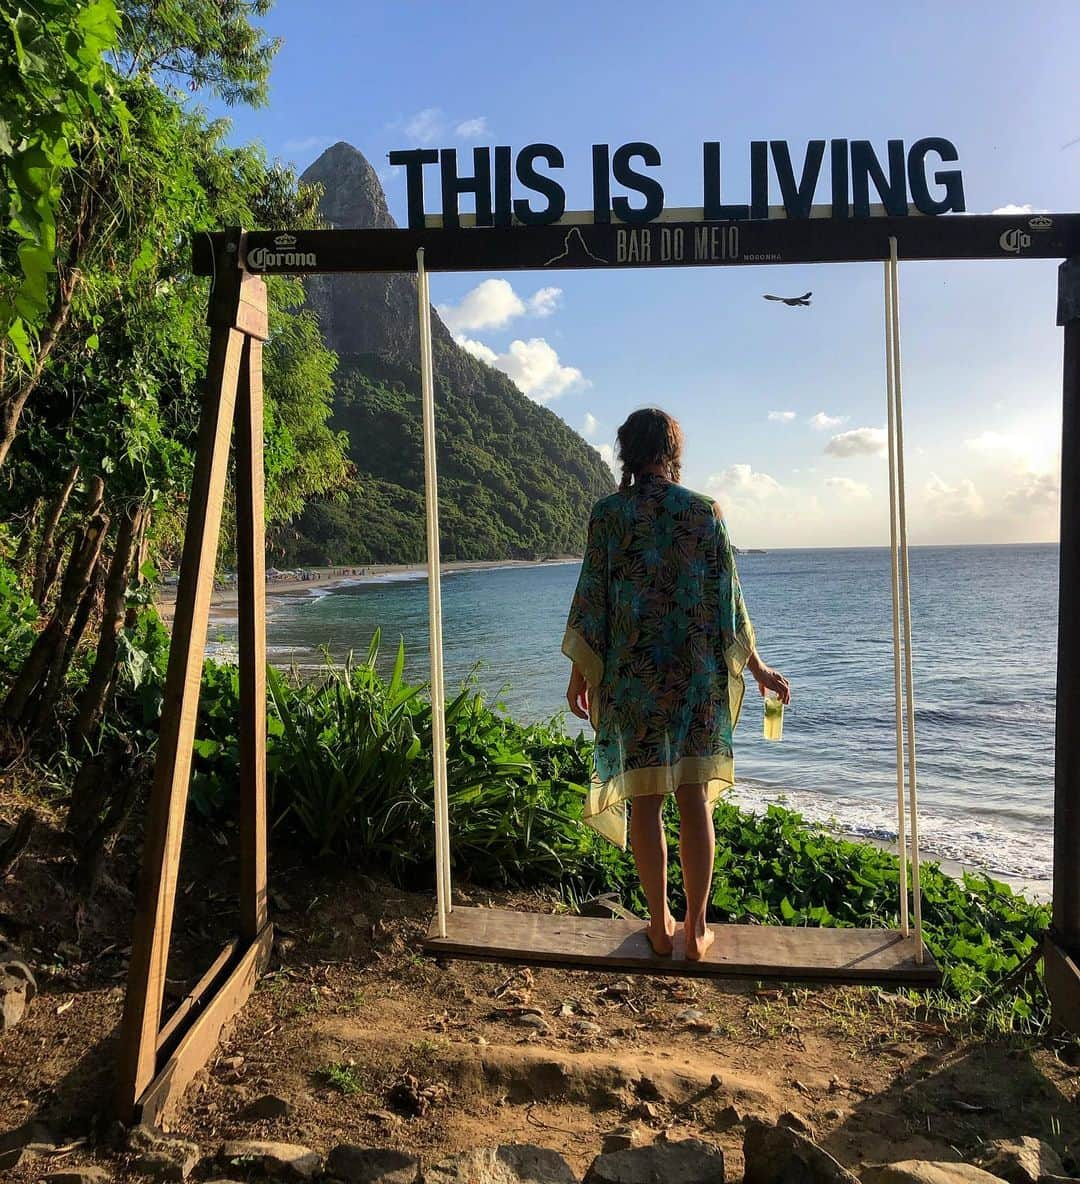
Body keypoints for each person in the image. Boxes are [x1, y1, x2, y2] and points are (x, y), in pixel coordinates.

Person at [562, 408, 790, 960]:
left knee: (645, 803)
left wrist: (579, 673)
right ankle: (696, 929)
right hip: (695, 681)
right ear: (671, 453)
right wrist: (757, 669)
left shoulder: (608, 515)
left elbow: (593, 599)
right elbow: (728, 604)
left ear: (627, 452)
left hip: (633, 681)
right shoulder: (703, 512)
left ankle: (660, 928)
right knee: (694, 801)